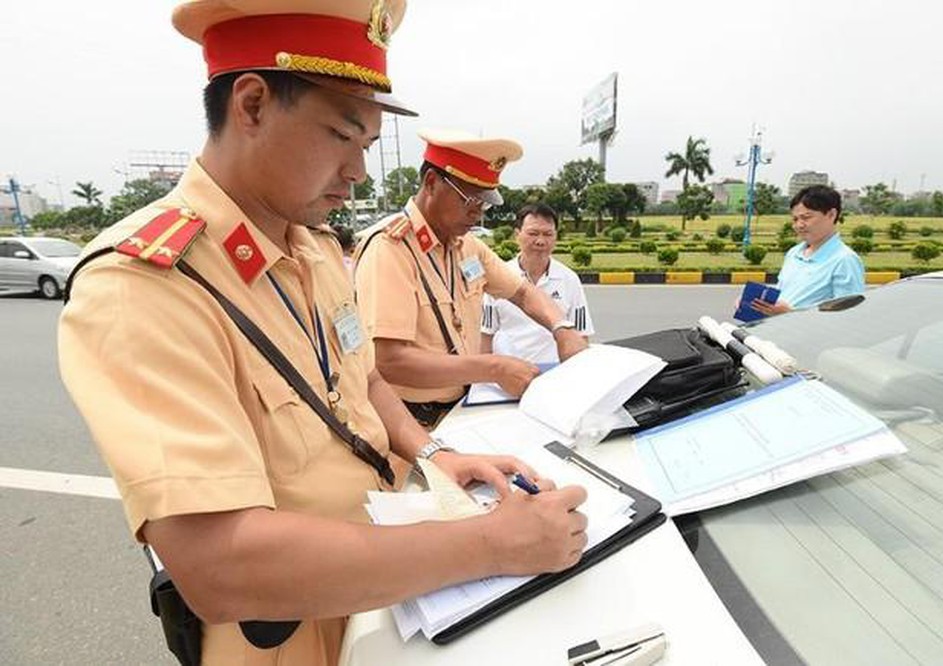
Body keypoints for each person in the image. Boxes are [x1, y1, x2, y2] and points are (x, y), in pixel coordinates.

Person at [57, 2, 587, 664]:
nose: (360, 173)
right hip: (288, 632)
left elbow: (362, 377)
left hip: (389, 569)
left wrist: (431, 456)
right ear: (250, 106)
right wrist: (494, 544)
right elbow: (220, 566)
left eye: (366, 146)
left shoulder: (310, 248)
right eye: (343, 137)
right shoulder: (144, 286)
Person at [353, 129, 589, 427]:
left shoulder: (467, 247)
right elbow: (389, 361)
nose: (477, 214)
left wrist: (563, 328)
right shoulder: (391, 250)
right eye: (470, 200)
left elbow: (523, 293)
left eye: (484, 203)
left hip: (457, 412)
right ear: (431, 183)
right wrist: (493, 368)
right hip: (408, 423)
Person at [481, 203, 594, 364]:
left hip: (554, 373)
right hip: (509, 373)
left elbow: (581, 335)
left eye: (548, 234)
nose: (540, 241)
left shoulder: (569, 279)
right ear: (517, 234)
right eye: (533, 233)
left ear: (556, 236)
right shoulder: (500, 276)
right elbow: (486, 334)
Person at [752, 184, 865, 316]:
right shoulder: (794, 253)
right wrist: (757, 303)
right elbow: (782, 295)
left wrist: (789, 313)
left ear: (831, 215)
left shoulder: (845, 260)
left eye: (806, 217)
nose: (799, 225)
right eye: (795, 219)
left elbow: (848, 316)